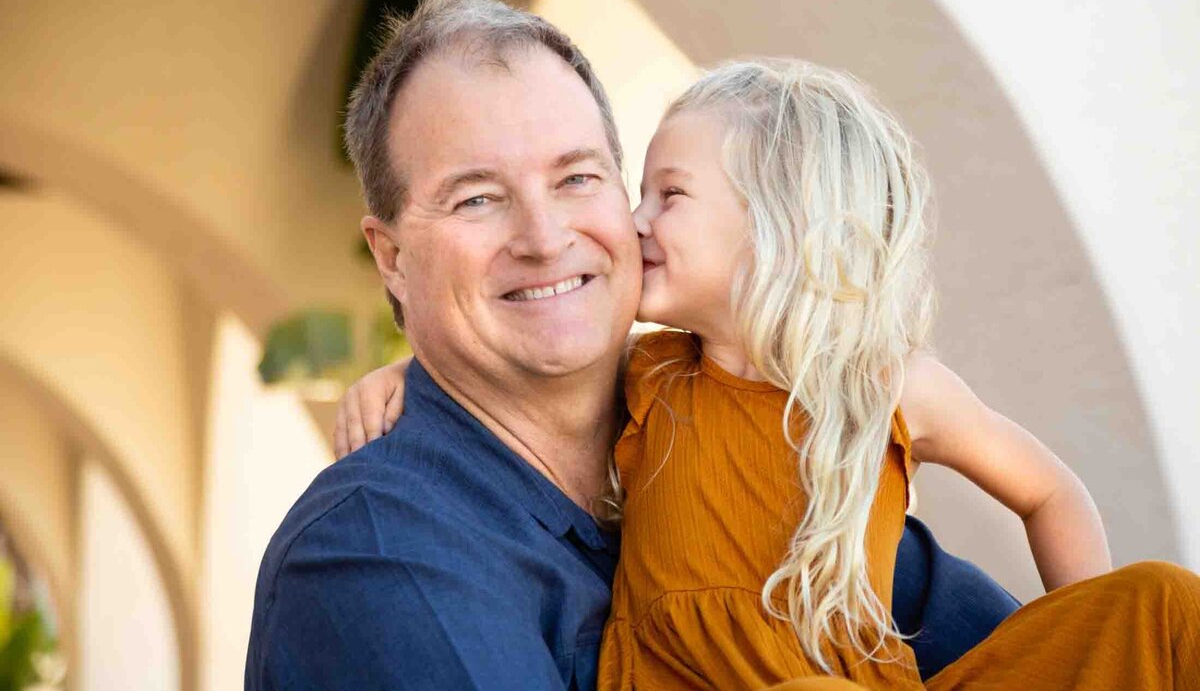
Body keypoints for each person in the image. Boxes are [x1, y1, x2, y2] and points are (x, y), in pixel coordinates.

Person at [335, 54, 1200, 689]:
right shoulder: (653, 374)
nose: (632, 220)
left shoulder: (885, 385)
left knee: (1165, 604)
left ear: (773, 226)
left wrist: (1085, 633)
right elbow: (526, 350)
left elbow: (1048, 492)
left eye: (667, 195)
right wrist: (411, 370)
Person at [246, 0, 1018, 691]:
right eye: (477, 199)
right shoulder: (380, 554)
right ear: (392, 259)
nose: (546, 239)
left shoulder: (754, 440)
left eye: (577, 178)